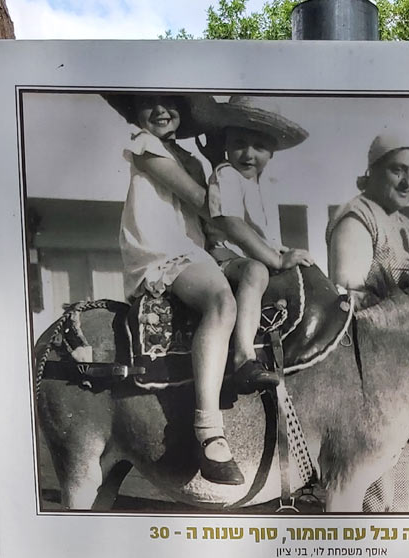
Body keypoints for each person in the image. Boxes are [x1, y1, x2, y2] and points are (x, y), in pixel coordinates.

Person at [105, 93, 245, 487]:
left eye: (172, 103)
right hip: (162, 252)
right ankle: (209, 429)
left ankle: (246, 365)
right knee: (221, 302)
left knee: (255, 281)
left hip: (193, 250)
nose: (162, 110)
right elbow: (204, 203)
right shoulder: (145, 145)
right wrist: (222, 163)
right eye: (150, 103)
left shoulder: (190, 160)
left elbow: (213, 226)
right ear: (135, 112)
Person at [326, 133, 409, 511]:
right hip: (367, 365)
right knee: (371, 487)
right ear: (373, 170)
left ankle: (386, 552)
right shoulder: (358, 216)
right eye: (398, 170)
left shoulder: (405, 226)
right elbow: (349, 294)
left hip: (398, 368)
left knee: (397, 492)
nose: (408, 182)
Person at [205, 96, 315, 384]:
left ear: (273, 152)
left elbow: (265, 234)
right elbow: (232, 223)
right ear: (226, 143)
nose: (248, 154)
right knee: (256, 271)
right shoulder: (227, 175)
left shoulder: (262, 184)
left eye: (260, 146)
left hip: (248, 256)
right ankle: (243, 356)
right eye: (239, 143)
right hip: (224, 257)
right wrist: (276, 258)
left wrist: (283, 252)